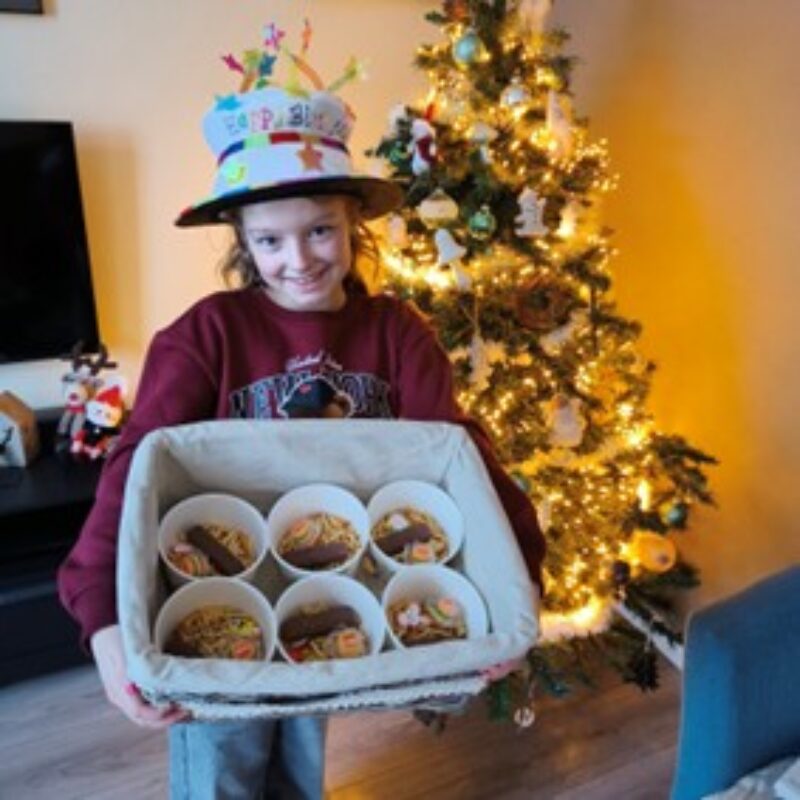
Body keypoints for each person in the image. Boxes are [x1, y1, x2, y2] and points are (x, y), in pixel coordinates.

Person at [57, 25, 546, 800]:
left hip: (331, 587)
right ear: (243, 243)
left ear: (353, 223)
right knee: (222, 766)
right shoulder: (204, 337)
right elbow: (137, 464)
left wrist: (520, 578)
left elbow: (460, 453)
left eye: (320, 230)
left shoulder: (398, 334)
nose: (299, 260)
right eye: (271, 241)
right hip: (216, 608)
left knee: (300, 757)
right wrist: (104, 620)